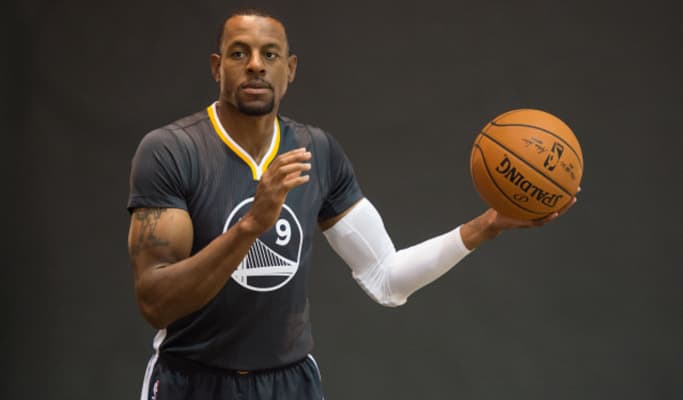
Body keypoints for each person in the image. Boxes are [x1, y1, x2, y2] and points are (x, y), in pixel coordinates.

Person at [127, 9, 577, 400]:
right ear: (216, 66)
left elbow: (387, 279)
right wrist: (250, 226)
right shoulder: (171, 152)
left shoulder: (317, 152)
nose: (256, 65)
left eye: (271, 54)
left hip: (289, 384)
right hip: (191, 381)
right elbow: (157, 303)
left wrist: (486, 226)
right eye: (239, 53)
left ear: (291, 69)